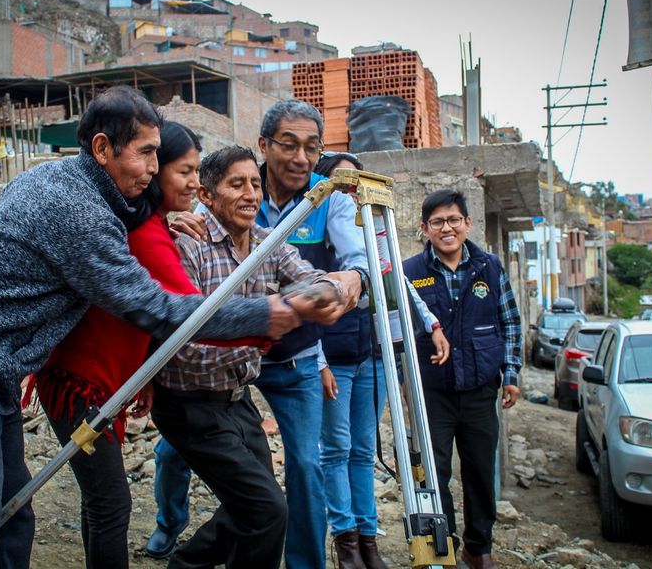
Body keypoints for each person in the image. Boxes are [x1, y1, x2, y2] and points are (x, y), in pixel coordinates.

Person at [0, 86, 301, 569]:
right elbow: (159, 308)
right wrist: (269, 314)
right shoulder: (78, 212)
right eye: (147, 153)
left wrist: (166, 220)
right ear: (101, 149)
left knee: (10, 516)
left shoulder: (61, 182)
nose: (156, 169)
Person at [31, 121, 245, 568]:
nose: (193, 183)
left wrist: (141, 374)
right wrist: (275, 320)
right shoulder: (145, 233)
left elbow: (141, 316)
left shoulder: (151, 223)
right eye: (183, 172)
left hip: (101, 380)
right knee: (111, 503)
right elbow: (188, 315)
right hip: (79, 382)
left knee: (101, 500)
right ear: (155, 171)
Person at [169, 100, 366, 569]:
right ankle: (168, 532)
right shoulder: (199, 230)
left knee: (297, 471)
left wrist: (340, 282)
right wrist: (268, 316)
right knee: (188, 463)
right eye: (289, 145)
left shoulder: (313, 206)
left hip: (279, 367)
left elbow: (316, 270)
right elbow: (186, 331)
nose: (300, 158)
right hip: (204, 384)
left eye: (312, 148)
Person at [314, 151, 450, 568]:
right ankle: (346, 542)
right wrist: (317, 360)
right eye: (341, 181)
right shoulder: (317, 233)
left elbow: (400, 284)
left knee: (361, 450)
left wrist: (430, 322)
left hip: (373, 354)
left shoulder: (376, 227)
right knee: (335, 450)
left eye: (355, 181)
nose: (351, 190)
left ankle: (368, 539)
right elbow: (302, 294)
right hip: (334, 355)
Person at [403, 189, 522, 569]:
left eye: (454, 220)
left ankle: (479, 547)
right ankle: (446, 543)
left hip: (479, 390)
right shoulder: (410, 273)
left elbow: (510, 324)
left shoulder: (490, 267)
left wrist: (512, 374)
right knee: (435, 474)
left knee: (479, 472)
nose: (447, 228)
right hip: (433, 393)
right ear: (425, 229)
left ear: (467, 223)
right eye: (437, 222)